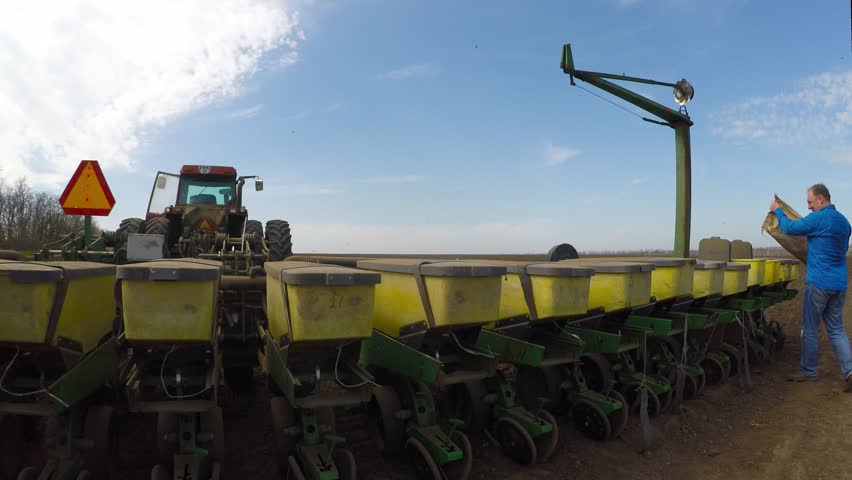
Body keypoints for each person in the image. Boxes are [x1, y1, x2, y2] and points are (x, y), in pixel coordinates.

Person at [770, 183, 852, 391]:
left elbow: (790, 228)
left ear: (821, 199)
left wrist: (777, 210)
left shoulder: (819, 218)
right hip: (839, 284)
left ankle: (808, 370)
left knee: (810, 328)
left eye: (809, 202)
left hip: (819, 283)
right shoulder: (845, 222)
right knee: (836, 328)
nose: (808, 207)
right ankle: (849, 371)